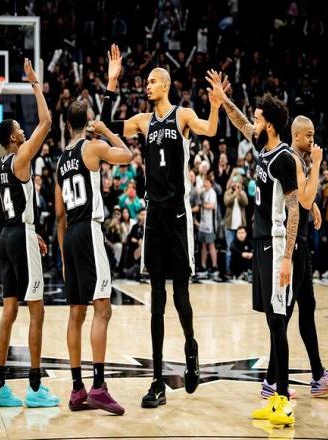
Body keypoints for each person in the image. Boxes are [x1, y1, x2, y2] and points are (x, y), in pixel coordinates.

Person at [101, 44, 222, 408]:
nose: (147, 86)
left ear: (165, 85)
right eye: (146, 82)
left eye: (152, 81)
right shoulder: (143, 121)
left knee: (181, 298)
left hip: (178, 216)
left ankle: (191, 349)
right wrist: (111, 82)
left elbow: (211, 129)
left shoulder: (182, 115)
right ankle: (156, 381)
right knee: (156, 301)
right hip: (154, 214)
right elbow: (105, 127)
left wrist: (216, 104)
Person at [208, 71, 299, 426]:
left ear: (271, 125)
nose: (254, 122)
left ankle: (283, 400)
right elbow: (240, 121)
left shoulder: (284, 159)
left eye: (259, 119)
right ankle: (275, 397)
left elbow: (293, 209)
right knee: (271, 320)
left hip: (276, 245)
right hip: (261, 245)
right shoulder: (263, 148)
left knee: (278, 322)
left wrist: (287, 256)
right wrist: (222, 100)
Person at [0, 59, 59, 408]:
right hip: (21, 236)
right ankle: (34, 386)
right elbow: (47, 121)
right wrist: (34, 84)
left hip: (8, 235)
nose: (24, 131)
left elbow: (14, 205)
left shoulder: (0, 165)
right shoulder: (20, 158)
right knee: (37, 312)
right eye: (19, 128)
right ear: (14, 137)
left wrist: (31, 231)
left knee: (9, 311)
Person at [260, 115, 328, 401]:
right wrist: (319, 165)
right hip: (291, 245)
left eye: (313, 134)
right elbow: (304, 199)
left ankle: (317, 375)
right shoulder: (291, 159)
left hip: (301, 244)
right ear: (296, 135)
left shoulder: (295, 158)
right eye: (308, 135)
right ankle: (271, 381)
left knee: (306, 308)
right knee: (283, 315)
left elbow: (302, 198)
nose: (312, 139)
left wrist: (313, 208)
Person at [55, 101, 132, 415]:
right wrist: (106, 131)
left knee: (76, 313)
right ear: (86, 123)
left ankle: (77, 389)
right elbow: (127, 155)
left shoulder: (61, 161)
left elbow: (58, 214)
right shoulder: (92, 147)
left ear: (66, 125)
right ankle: (98, 386)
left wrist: (63, 258)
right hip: (89, 229)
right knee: (103, 309)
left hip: (71, 235)